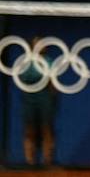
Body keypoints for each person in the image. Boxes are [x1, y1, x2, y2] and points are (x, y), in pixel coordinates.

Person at [20, 37, 58, 166]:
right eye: (36, 43)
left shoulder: (49, 61)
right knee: (29, 129)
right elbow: (21, 80)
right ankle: (29, 160)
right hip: (29, 98)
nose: (39, 46)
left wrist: (53, 98)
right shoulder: (25, 61)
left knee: (46, 128)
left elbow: (53, 83)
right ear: (31, 46)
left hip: (45, 97)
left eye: (41, 44)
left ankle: (48, 160)